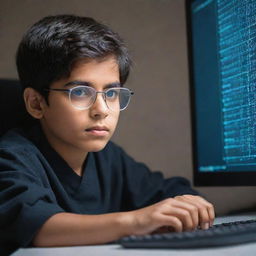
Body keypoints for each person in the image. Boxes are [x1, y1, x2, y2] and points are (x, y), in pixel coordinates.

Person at [0, 14, 215, 253]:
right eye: (81, 92)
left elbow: (167, 191)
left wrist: (187, 204)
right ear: (36, 104)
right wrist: (136, 221)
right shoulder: (12, 157)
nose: (101, 110)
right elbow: (37, 226)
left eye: (111, 94)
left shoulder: (108, 158)